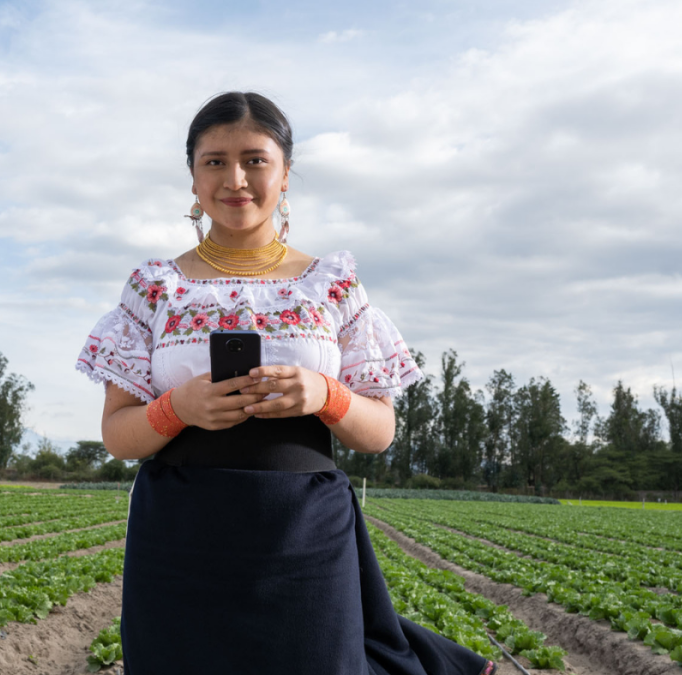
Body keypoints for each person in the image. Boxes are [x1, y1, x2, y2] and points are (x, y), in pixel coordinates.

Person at [75, 91, 495, 675]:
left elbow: (378, 433)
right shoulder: (154, 289)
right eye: (214, 162)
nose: (235, 179)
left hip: (302, 533)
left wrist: (326, 395)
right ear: (193, 179)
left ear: (286, 174)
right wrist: (178, 408)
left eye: (255, 159)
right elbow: (119, 437)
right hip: (179, 535)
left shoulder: (331, 285)